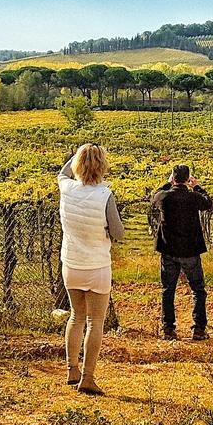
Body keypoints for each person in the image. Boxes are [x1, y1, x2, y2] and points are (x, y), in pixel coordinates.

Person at [58, 143, 124, 395]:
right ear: (102, 166)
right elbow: (118, 232)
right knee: (95, 322)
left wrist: (79, 153)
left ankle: (71, 369)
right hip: (97, 266)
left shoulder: (66, 187)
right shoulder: (105, 195)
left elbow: (63, 173)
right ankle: (88, 377)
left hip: (72, 264)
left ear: (76, 164)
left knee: (75, 317)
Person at [150, 163, 212, 340]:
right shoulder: (193, 197)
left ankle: (168, 329)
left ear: (173, 178)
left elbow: (153, 198)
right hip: (191, 250)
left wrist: (166, 184)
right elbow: (208, 202)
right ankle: (199, 329)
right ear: (187, 179)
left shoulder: (164, 197)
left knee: (168, 289)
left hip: (168, 250)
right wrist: (197, 186)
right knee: (198, 290)